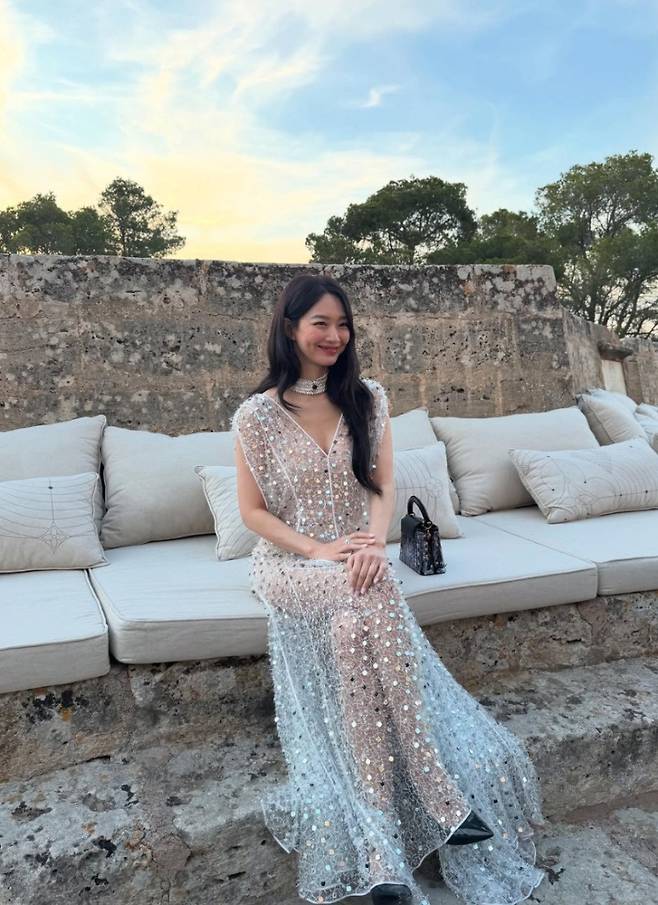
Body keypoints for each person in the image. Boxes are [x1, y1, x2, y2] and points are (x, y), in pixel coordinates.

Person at [231, 273, 547, 905]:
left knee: (356, 619)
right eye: (321, 323)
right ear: (290, 327)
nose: (335, 335)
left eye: (343, 325)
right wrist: (320, 549)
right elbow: (253, 513)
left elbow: (381, 488)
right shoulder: (257, 416)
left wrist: (373, 545)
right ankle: (439, 794)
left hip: (357, 559)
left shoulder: (368, 399)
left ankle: (380, 851)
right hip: (290, 564)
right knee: (364, 595)